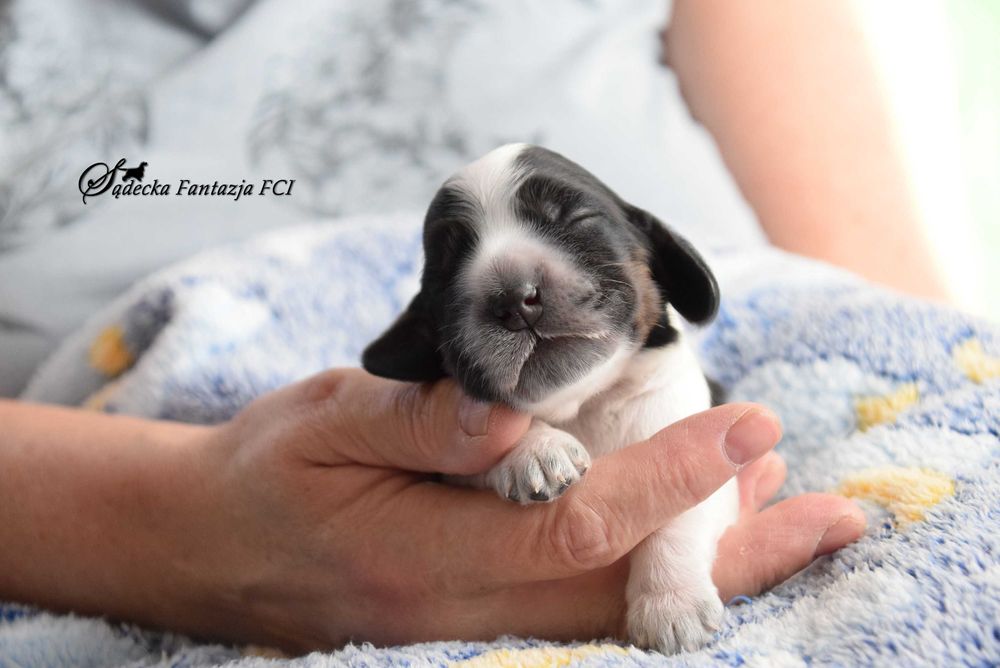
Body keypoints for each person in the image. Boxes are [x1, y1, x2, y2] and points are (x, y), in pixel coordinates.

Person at [0, 0, 950, 652]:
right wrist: (192, 526)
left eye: (570, 223)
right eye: (468, 274)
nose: (519, 293)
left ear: (661, 263)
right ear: (436, 338)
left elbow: (896, 324)